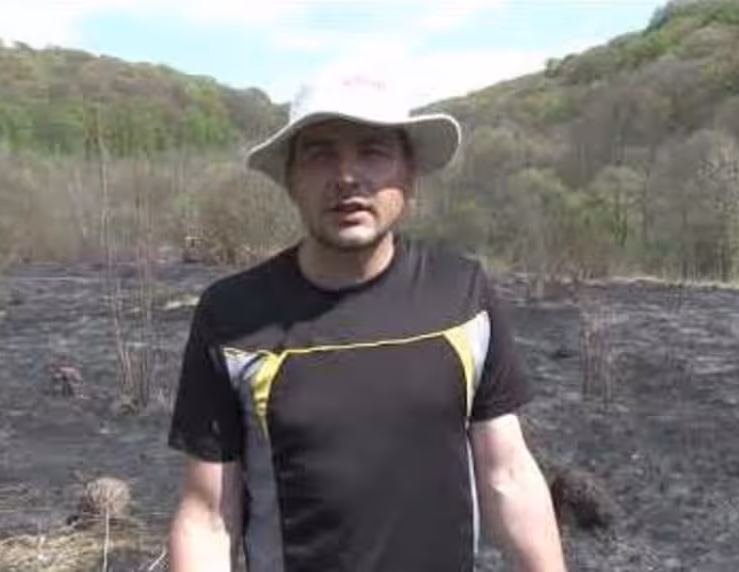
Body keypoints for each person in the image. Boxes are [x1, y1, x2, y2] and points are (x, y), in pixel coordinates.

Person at [167, 72, 566, 572]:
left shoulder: (461, 294)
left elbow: (507, 474)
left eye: (373, 151)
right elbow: (208, 517)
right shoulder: (233, 317)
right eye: (320, 154)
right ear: (291, 180)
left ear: (409, 175)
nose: (347, 177)